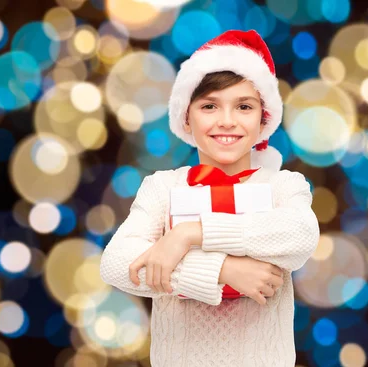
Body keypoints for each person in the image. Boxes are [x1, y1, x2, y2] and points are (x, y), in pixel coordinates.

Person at [99, 29, 320, 367]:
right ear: (187, 116)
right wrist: (222, 270)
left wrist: (187, 234)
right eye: (209, 106)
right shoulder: (163, 188)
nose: (227, 121)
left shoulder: (283, 186)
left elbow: (300, 234)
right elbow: (117, 264)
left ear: (264, 119)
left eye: (244, 106)